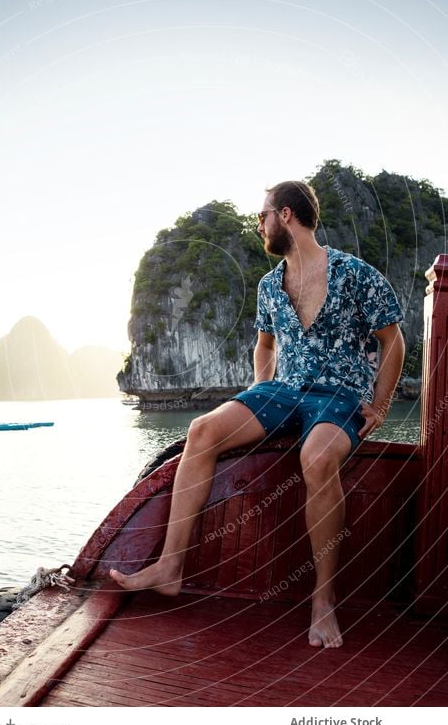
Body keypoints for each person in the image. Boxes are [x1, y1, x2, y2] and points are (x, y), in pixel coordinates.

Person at [111, 180, 405, 649]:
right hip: (282, 392)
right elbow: (265, 343)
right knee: (202, 429)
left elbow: (394, 340)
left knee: (317, 456)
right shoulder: (270, 285)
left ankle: (323, 599)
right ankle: (170, 566)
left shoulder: (355, 273)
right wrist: (258, 392)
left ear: (286, 215)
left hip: (339, 395)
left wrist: (381, 404)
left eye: (263, 216)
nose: (259, 225)